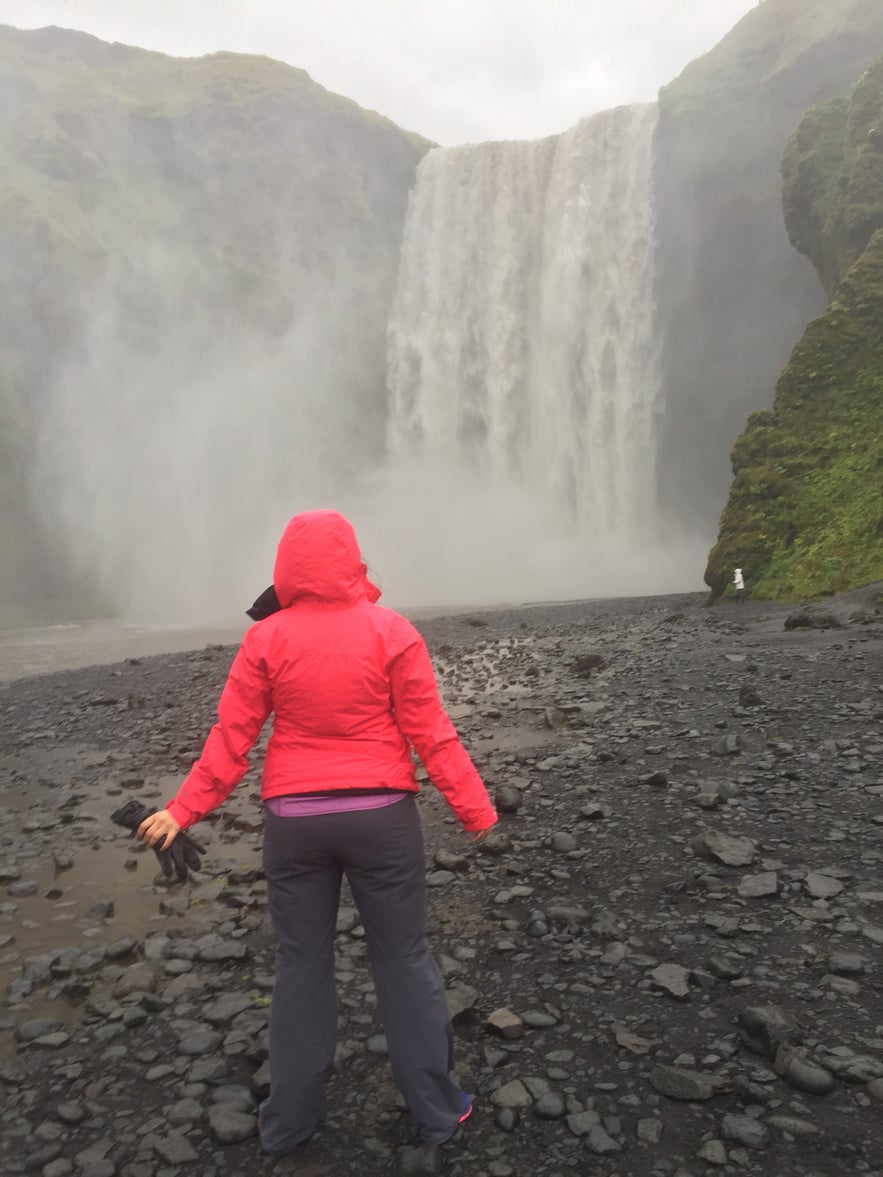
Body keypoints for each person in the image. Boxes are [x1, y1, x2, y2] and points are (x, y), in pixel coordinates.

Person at [135, 509, 498, 1156]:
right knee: (403, 958)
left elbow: (232, 740)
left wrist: (182, 809)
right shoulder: (392, 631)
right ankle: (440, 1113)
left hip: (295, 823)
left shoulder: (265, 640)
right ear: (352, 561)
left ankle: (288, 1122)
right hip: (383, 818)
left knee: (302, 965)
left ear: (287, 568)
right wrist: (474, 808)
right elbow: (430, 732)